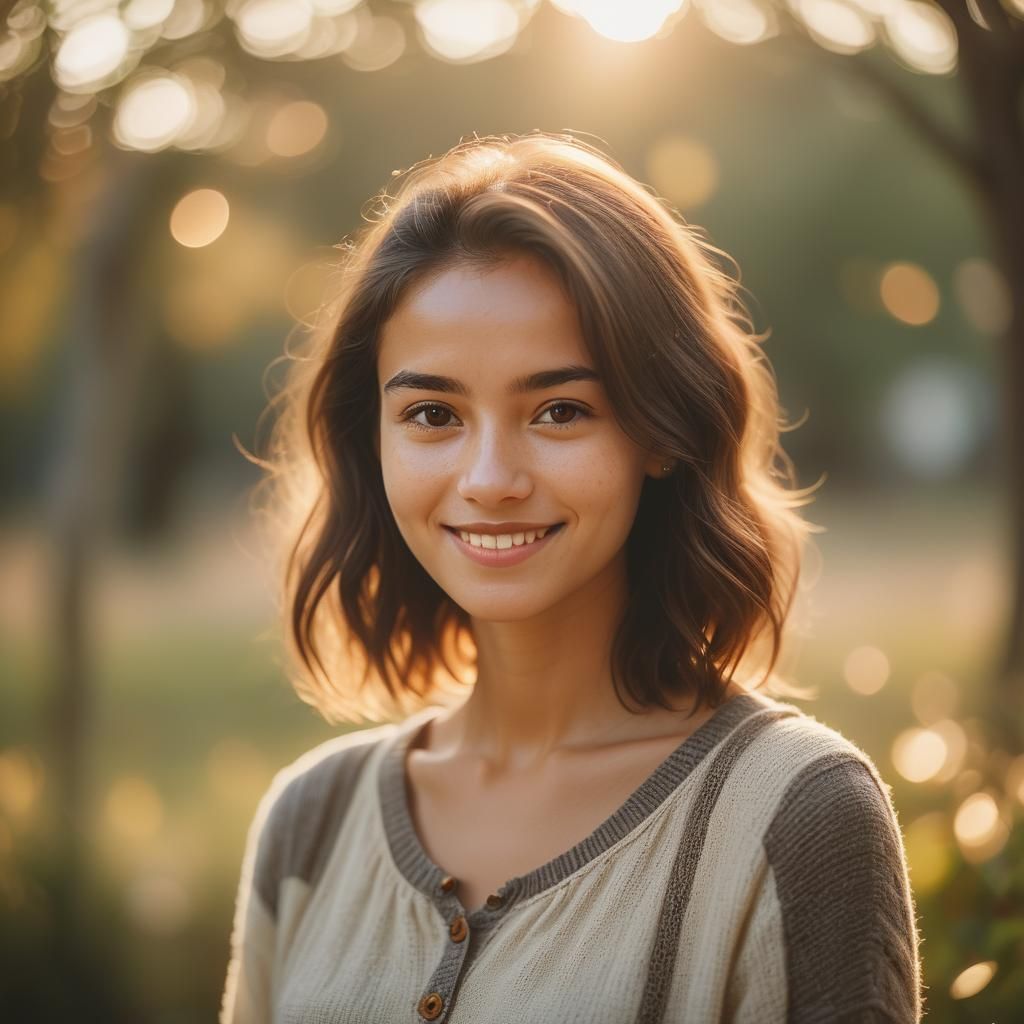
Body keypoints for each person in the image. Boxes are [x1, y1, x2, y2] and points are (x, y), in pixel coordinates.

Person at [219, 132, 923, 1023]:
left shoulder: (799, 813)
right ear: (375, 439)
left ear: (663, 429)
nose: (488, 478)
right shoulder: (308, 823)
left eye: (560, 410)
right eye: (433, 413)